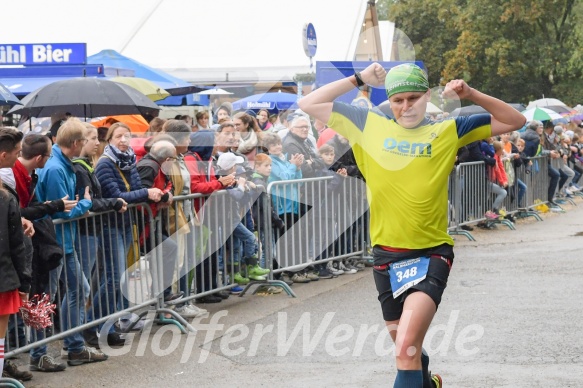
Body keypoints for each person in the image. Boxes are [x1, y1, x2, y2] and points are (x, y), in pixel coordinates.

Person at [298, 62, 526, 387]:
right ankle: (427, 381)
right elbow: (308, 104)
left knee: (405, 350)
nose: (406, 106)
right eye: (398, 100)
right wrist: (359, 78)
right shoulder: (368, 125)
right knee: (409, 350)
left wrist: (470, 93)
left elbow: (515, 120)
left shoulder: (448, 129)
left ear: (427, 96)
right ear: (389, 102)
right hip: (385, 257)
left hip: (431, 253)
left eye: (414, 98)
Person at [36, 118, 109, 368]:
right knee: (47, 299)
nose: (93, 144)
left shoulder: (62, 163)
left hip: (65, 243)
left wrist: (80, 204)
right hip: (54, 244)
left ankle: (74, 346)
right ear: (76, 143)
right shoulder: (57, 167)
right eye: (86, 140)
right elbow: (62, 211)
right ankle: (39, 354)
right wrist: (86, 203)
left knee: (80, 290)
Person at [73, 123, 128, 347]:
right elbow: (89, 202)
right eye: (93, 138)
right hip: (94, 229)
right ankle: (87, 328)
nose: (98, 142)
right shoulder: (88, 166)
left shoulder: (94, 163)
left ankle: (102, 325)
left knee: (109, 279)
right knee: (92, 283)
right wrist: (114, 202)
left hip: (103, 226)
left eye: (99, 138)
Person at [0, 128, 33, 381]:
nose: (18, 158)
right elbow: (16, 245)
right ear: (3, 155)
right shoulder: (5, 197)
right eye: (16, 153)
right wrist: (24, 281)